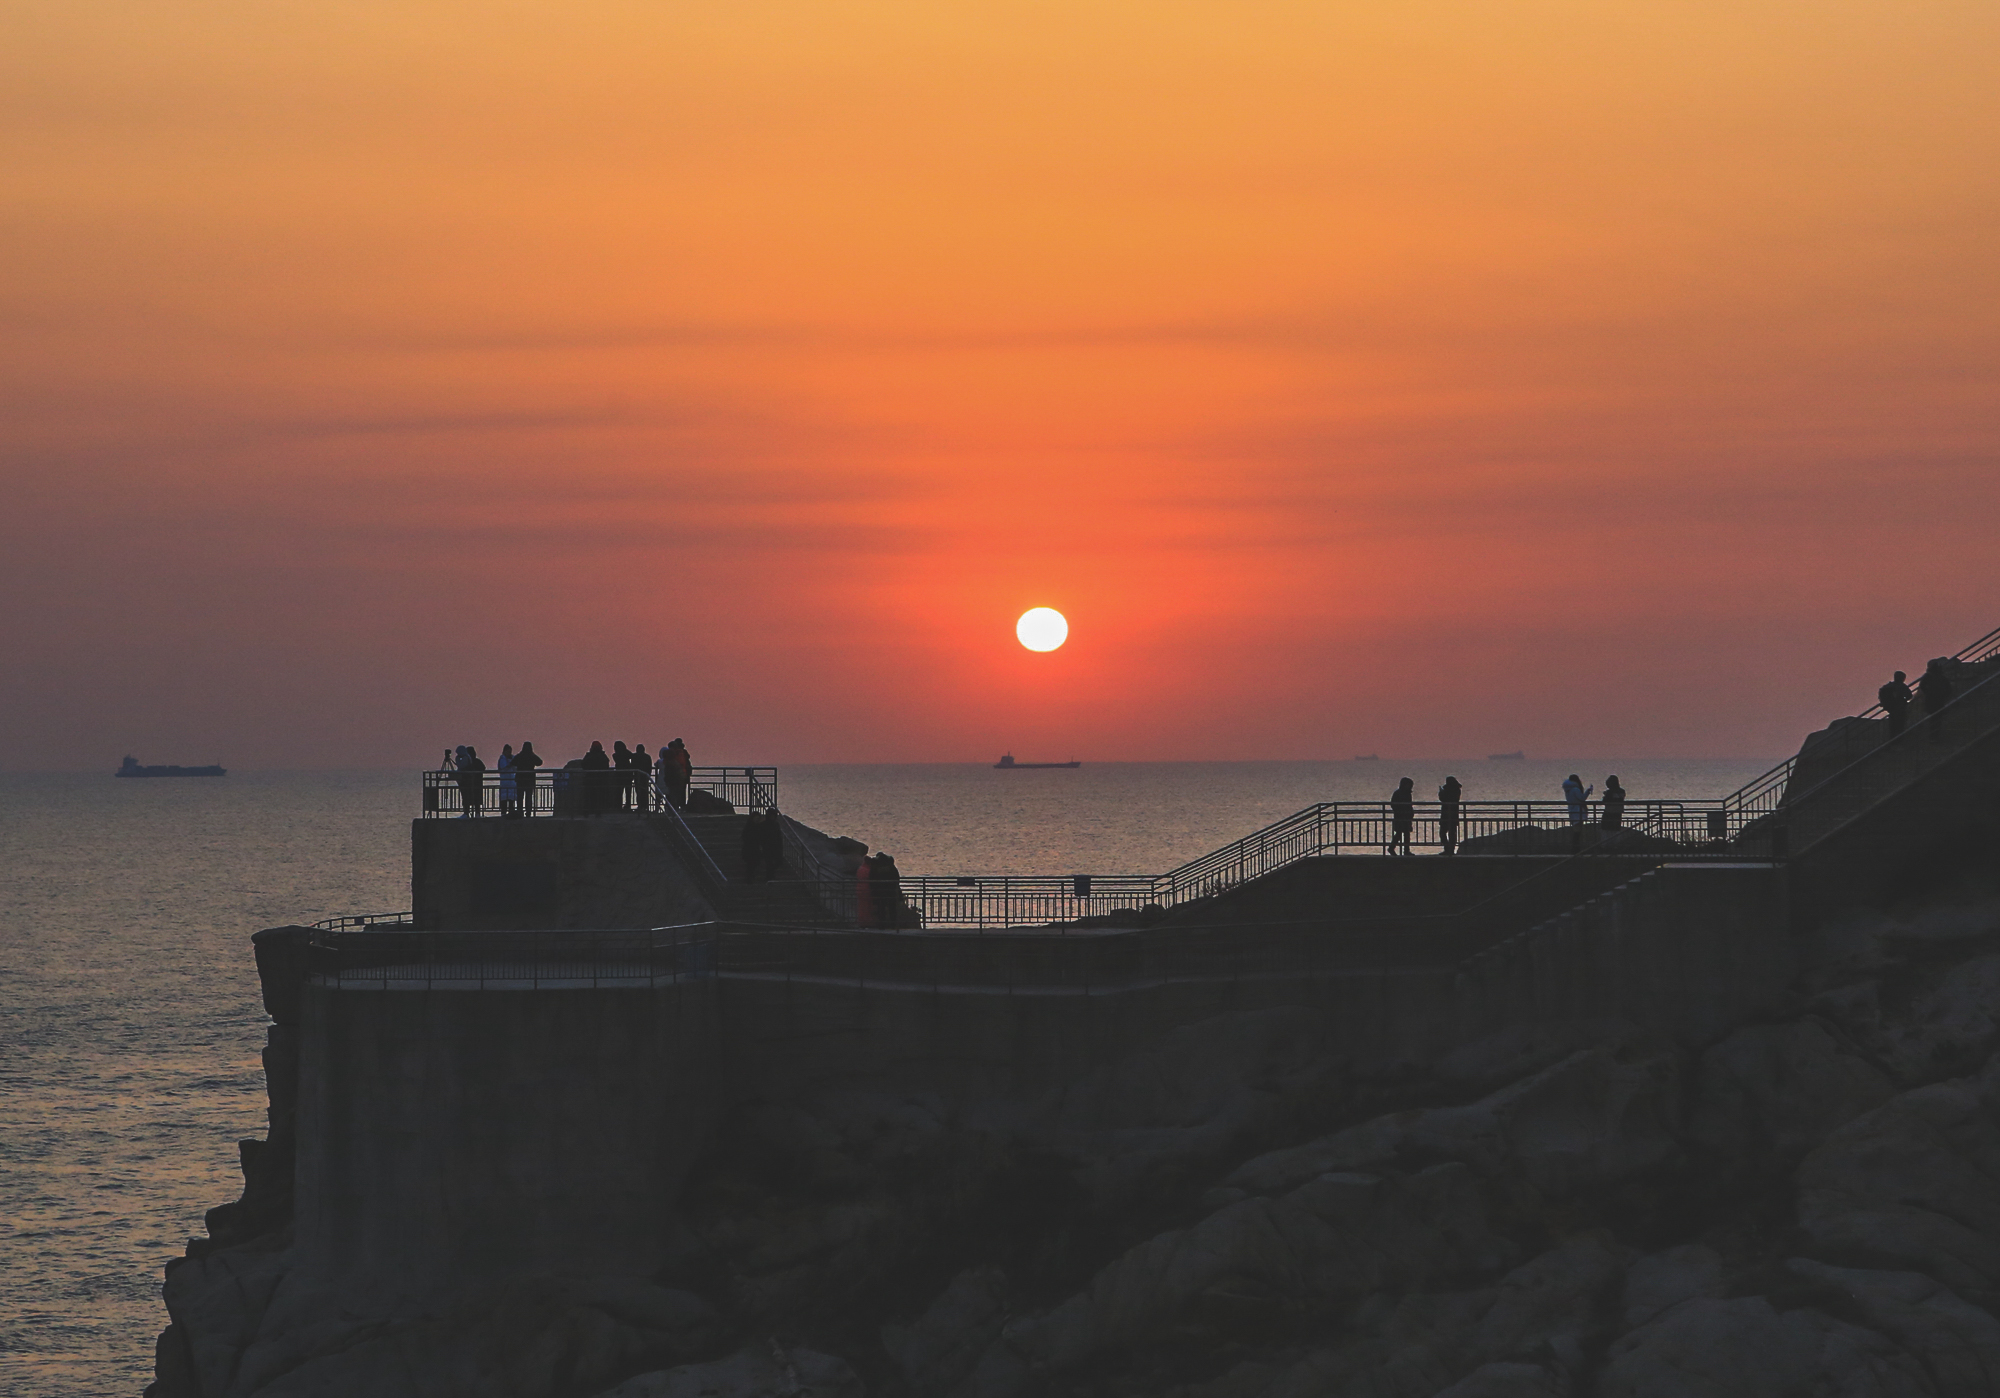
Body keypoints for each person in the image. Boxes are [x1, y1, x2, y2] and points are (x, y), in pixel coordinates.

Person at [1920, 659, 1955, 741]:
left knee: (1935, 719)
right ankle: (1934, 736)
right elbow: (1948, 689)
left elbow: (1923, 686)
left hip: (1934, 699)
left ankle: (1934, 736)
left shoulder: (1929, 677)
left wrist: (1928, 692)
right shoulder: (1940, 677)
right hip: (1937, 700)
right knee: (1936, 719)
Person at [581, 740, 613, 814]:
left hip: (590, 779)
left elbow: (583, 765)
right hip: (600, 780)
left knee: (589, 796)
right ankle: (597, 812)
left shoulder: (589, 756)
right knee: (599, 797)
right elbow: (606, 767)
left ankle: (587, 811)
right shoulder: (603, 756)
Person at [1879, 670, 1913, 738]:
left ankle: (1892, 739)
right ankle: (1899, 739)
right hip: (1900, 708)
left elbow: (1881, 694)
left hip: (1891, 708)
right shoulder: (1902, 686)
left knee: (1892, 725)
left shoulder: (1888, 686)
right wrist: (1903, 699)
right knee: (1900, 725)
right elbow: (1909, 696)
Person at [513, 741, 543, 815]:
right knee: (529, 796)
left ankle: (520, 811)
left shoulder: (520, 756)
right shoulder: (532, 756)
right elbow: (540, 762)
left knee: (520, 796)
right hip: (530, 779)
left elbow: (513, 762)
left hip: (520, 779)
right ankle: (528, 812)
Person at [1387, 777, 1415, 856]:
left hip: (1405, 816)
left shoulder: (1406, 793)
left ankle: (1405, 850)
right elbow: (1394, 805)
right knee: (1400, 833)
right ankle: (1393, 848)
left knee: (1405, 833)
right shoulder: (1399, 793)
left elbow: (1409, 805)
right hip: (1400, 816)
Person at [456, 746, 486, 817]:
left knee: (467, 798)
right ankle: (477, 814)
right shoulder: (477, 761)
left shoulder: (469, 762)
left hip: (468, 783)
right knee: (476, 800)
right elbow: (483, 768)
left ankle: (466, 813)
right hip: (477, 784)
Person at [1437, 776, 1463, 856]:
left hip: (1446, 814)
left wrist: (1441, 793)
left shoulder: (1451, 790)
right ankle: (1450, 849)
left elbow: (1444, 799)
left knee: (1444, 832)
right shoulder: (1457, 790)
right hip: (1453, 814)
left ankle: (1448, 849)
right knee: (1451, 833)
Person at [665, 738, 693, 811]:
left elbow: (668, 765)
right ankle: (681, 806)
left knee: (673, 792)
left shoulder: (674, 754)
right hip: (683, 775)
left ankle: (674, 807)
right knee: (681, 792)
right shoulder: (683, 753)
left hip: (676, 776)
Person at [740, 810, 766, 883]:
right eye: (756, 818)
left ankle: (750, 877)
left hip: (755, 849)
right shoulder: (749, 827)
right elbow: (745, 837)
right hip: (749, 849)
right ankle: (749, 878)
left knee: (754, 863)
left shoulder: (757, 827)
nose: (757, 820)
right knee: (751, 864)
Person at [762, 806, 787, 879]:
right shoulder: (764, 825)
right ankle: (770, 877)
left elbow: (779, 836)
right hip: (767, 847)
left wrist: (780, 846)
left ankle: (770, 875)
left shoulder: (776, 824)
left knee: (778, 862)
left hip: (775, 847)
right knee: (769, 863)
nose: (772, 817)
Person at [853, 853, 875, 927]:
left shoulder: (860, 868)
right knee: (867, 907)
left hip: (859, 889)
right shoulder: (868, 870)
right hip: (867, 889)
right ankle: (867, 922)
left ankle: (861, 921)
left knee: (861, 907)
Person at [497, 743, 518, 817]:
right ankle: (503, 813)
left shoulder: (513, 758)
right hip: (505, 781)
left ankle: (511, 812)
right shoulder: (502, 758)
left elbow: (516, 768)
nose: (509, 753)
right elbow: (503, 767)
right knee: (504, 799)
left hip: (512, 781)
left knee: (511, 799)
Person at [632, 745, 651, 811]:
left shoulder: (634, 756)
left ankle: (640, 806)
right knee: (644, 792)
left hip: (637, 776)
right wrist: (648, 776)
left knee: (639, 792)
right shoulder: (647, 757)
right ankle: (645, 806)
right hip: (645, 777)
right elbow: (649, 768)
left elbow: (633, 766)